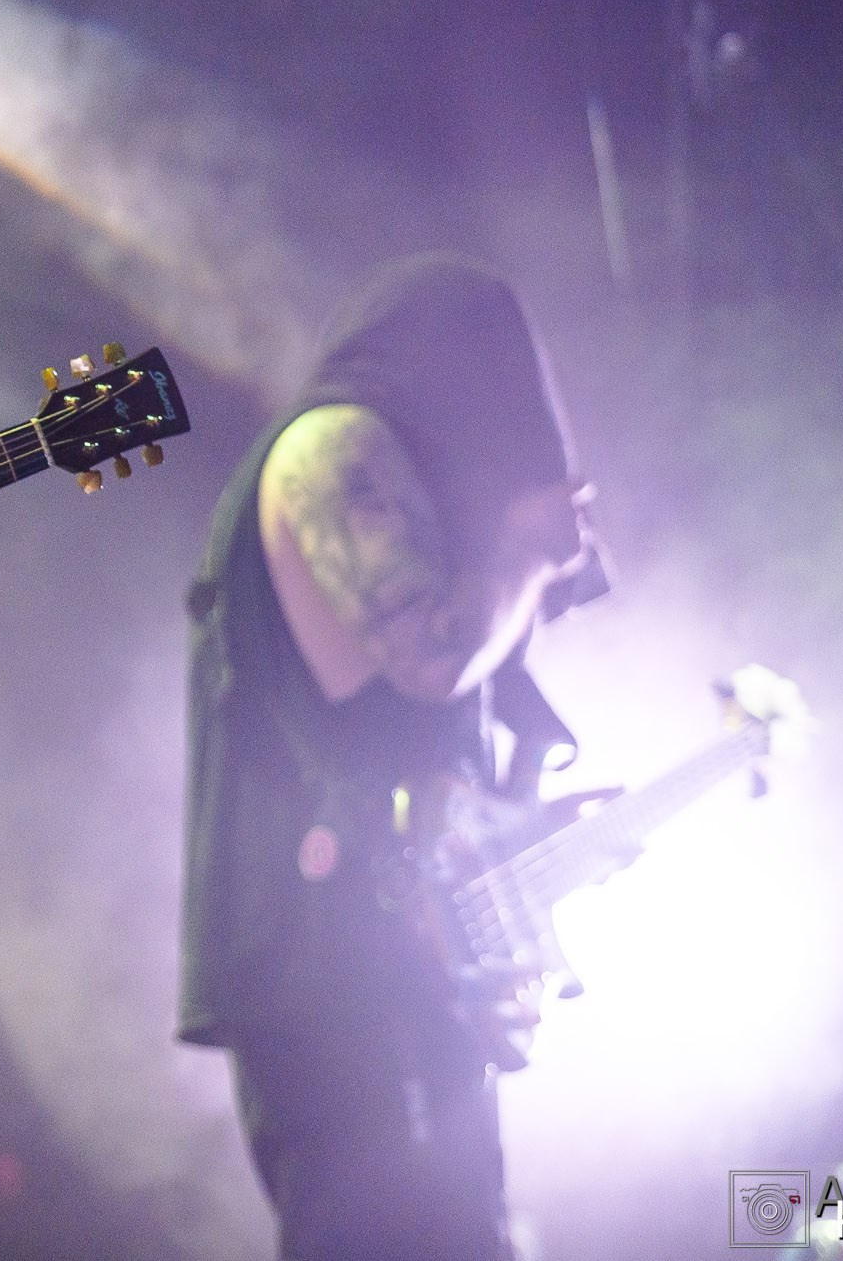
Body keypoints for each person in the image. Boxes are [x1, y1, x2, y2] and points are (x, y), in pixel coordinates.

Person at [177, 254, 598, 1261]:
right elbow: (429, 659)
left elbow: (439, 750)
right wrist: (530, 554)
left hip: (398, 975)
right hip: (333, 979)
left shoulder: (396, 472)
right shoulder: (333, 448)